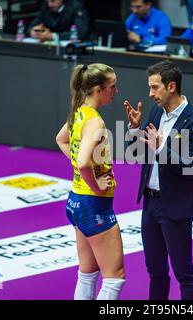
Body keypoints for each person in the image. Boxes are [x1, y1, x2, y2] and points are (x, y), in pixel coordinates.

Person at [123, 60, 193, 300]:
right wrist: (133, 129)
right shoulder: (155, 113)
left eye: (155, 88)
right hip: (150, 204)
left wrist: (160, 147)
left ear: (171, 86)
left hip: (176, 206)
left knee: (184, 273)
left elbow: (190, 166)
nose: (150, 94)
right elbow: (139, 153)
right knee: (156, 271)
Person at [56, 63, 125, 300]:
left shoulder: (79, 112)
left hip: (76, 200)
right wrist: (97, 183)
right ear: (97, 90)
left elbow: (61, 140)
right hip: (94, 204)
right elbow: (84, 162)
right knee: (114, 277)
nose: (116, 91)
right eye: (112, 87)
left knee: (87, 274)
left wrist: (82, 167)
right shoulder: (95, 122)